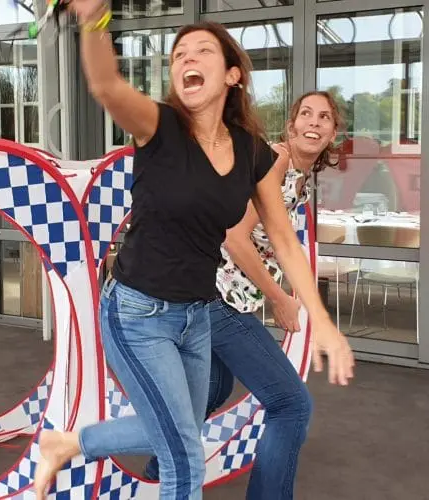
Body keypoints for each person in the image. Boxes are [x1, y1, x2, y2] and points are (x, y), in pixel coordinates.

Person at [31, 5, 356, 500]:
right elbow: (107, 86)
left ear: (231, 75)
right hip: (137, 312)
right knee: (184, 457)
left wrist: (323, 322)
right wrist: (94, 20)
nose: (187, 58)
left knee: (179, 427)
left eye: (203, 50)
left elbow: (285, 241)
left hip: (196, 317)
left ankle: (69, 443)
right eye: (179, 53)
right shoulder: (158, 126)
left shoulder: (250, 150)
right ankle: (76, 445)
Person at [139, 90, 350, 499]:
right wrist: (278, 297)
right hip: (216, 297)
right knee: (291, 405)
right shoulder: (276, 162)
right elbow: (234, 237)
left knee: (211, 389)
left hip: (216, 296)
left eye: (324, 117)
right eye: (306, 114)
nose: (314, 122)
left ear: (332, 133)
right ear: (291, 125)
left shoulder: (300, 179)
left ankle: (154, 478)